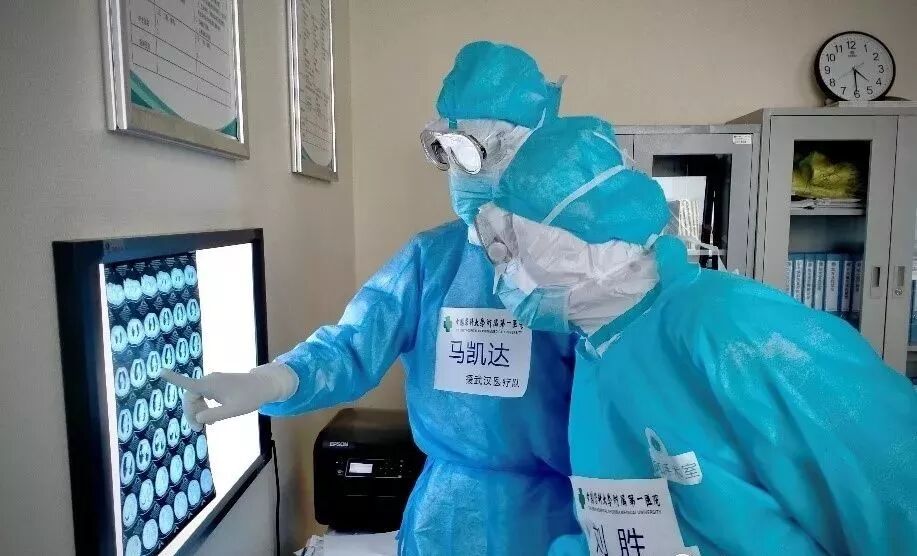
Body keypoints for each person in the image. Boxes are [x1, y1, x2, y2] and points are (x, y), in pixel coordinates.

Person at [163, 41, 581, 556]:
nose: (461, 174)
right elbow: (353, 345)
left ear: (529, 154)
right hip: (444, 517)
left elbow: (615, 398)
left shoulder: (578, 267)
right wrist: (269, 380)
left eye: (477, 153)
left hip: (551, 523)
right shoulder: (432, 259)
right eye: (449, 153)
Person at [471, 115, 917, 555]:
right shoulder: (600, 348)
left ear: (580, 240)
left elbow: (894, 490)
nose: (502, 269)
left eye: (512, 243)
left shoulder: (731, 326)